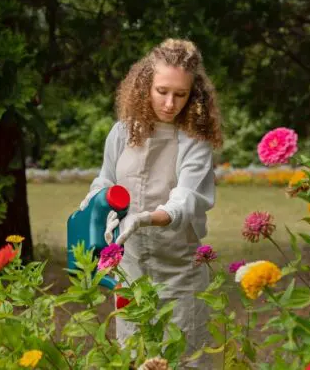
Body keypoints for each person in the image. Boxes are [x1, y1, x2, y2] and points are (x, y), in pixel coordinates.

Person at [79, 39, 223, 368]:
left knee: (184, 359)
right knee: (135, 358)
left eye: (180, 94)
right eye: (162, 91)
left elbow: (184, 200)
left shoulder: (195, 143)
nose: (170, 103)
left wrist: (142, 218)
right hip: (130, 273)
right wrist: (96, 198)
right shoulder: (121, 133)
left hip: (180, 275)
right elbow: (106, 179)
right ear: (144, 84)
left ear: (194, 94)